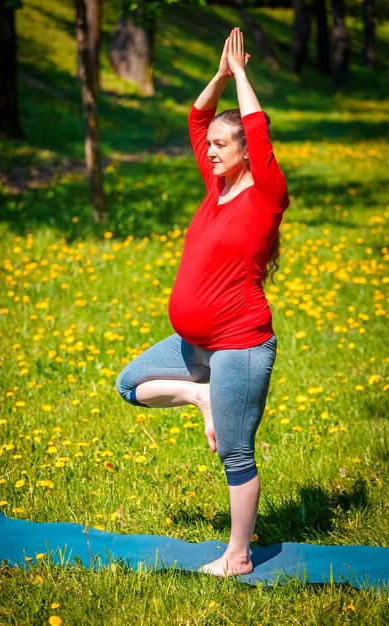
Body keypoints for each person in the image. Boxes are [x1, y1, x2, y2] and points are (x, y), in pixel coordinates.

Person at [116, 27, 289, 576]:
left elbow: (258, 132)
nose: (209, 150)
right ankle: (201, 395)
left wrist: (241, 77)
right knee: (130, 384)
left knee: (236, 454)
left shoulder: (265, 197)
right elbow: (195, 120)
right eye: (210, 146)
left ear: (244, 154)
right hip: (197, 345)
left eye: (221, 145)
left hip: (240, 346)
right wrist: (216, 74)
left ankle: (237, 556)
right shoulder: (216, 186)